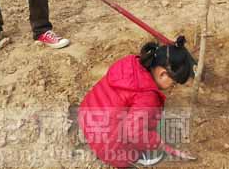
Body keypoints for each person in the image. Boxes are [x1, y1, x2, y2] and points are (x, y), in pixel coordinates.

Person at [78, 37, 197, 168]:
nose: (172, 87)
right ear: (163, 74)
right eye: (173, 83)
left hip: (87, 116)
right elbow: (134, 133)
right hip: (106, 145)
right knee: (140, 140)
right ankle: (135, 157)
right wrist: (159, 143)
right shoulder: (148, 98)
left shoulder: (131, 63)